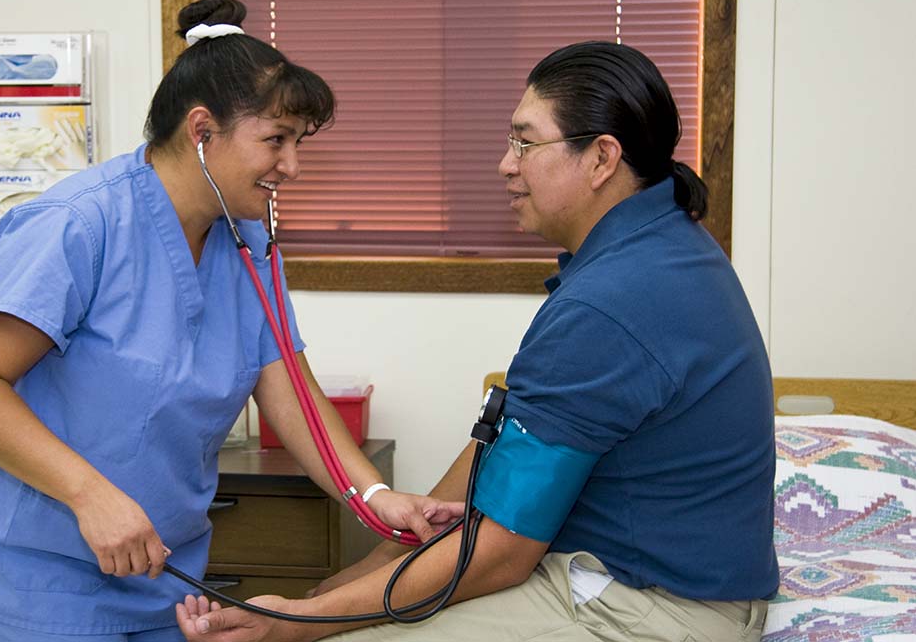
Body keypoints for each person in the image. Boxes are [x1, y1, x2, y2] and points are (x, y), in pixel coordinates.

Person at [174, 40, 778, 642]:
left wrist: (299, 623)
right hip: (623, 578)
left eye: (525, 141)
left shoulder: (611, 302)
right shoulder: (656, 249)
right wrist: (370, 567)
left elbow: (498, 554)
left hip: (647, 607)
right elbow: (502, 441)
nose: (505, 164)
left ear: (600, 159)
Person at [0, 0, 463, 641]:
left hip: (163, 563)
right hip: (46, 560)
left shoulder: (245, 241)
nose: (291, 167)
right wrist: (89, 495)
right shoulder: (77, 225)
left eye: (297, 144)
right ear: (202, 129)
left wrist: (378, 498)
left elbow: (289, 386)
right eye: (276, 141)